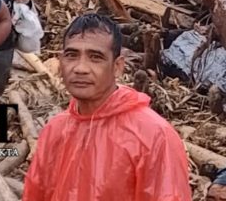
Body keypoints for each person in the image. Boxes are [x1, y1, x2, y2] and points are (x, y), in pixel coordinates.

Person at [23, 14, 191, 201]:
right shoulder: (55, 130)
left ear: (117, 66)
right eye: (72, 55)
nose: (81, 68)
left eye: (95, 57)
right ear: (61, 61)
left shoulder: (153, 136)